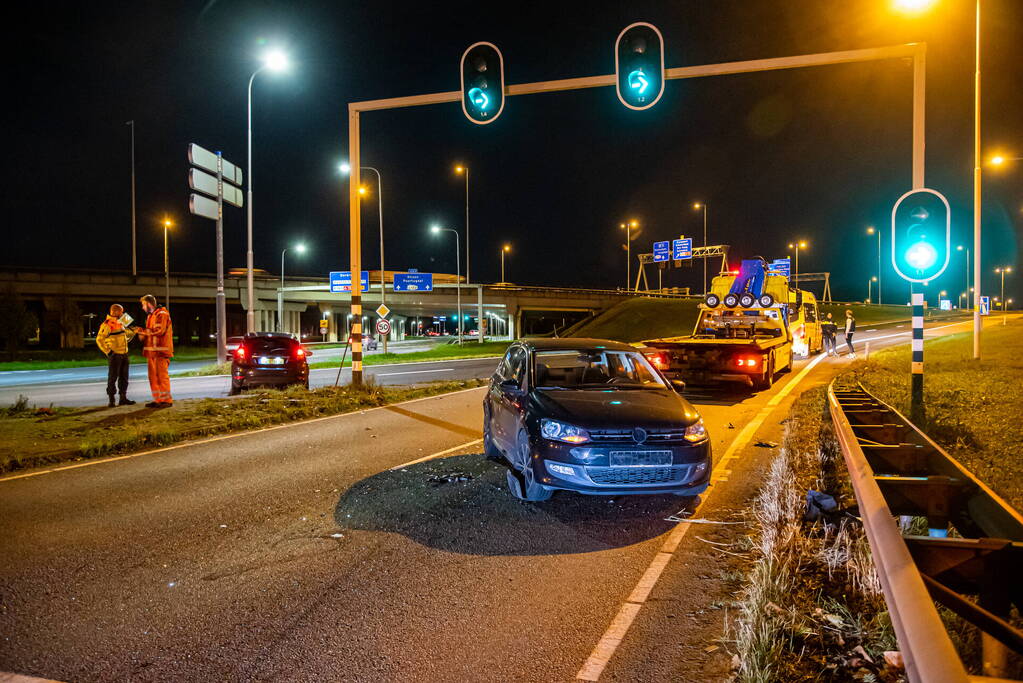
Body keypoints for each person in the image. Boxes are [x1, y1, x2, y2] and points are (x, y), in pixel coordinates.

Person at [132, 295, 174, 408]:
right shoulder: (151, 316)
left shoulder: (162, 314)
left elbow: (159, 331)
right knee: (153, 378)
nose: (142, 307)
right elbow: (151, 333)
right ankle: (158, 400)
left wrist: (142, 331)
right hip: (152, 352)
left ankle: (167, 401)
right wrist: (142, 335)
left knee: (161, 377)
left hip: (160, 352)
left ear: (149, 304)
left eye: (143, 305)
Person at [95, 304, 137, 407]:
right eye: (121, 312)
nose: (123, 313)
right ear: (116, 312)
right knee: (113, 377)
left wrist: (132, 332)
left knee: (124, 377)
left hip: (124, 353)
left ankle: (123, 398)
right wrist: (108, 352)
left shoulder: (121, 321)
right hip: (115, 355)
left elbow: (130, 330)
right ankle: (111, 400)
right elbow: (99, 339)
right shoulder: (107, 324)